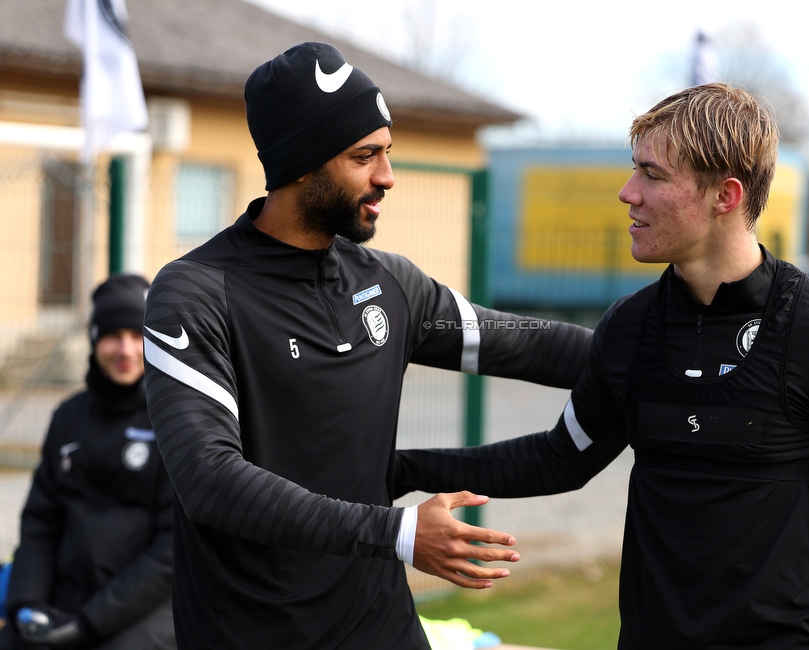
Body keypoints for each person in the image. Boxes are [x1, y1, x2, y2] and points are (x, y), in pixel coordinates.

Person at [394, 83, 809, 649]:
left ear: (724, 196)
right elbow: (559, 459)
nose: (628, 192)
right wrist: (398, 468)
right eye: (633, 169)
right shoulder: (629, 328)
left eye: (652, 174)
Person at [141, 41, 591, 649]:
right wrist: (399, 534)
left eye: (387, 152)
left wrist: (663, 351)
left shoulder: (388, 282)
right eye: (364, 156)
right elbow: (210, 480)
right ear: (300, 162)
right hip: (252, 634)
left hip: (383, 629)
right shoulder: (195, 291)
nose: (387, 176)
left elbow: (528, 344)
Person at [1, 274, 175, 650]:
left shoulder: (173, 421)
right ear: (95, 339)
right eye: (114, 335)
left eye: (137, 335)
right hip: (66, 598)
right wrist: (26, 604)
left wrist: (88, 624)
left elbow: (171, 549)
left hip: (144, 610)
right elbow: (40, 519)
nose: (126, 349)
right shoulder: (68, 417)